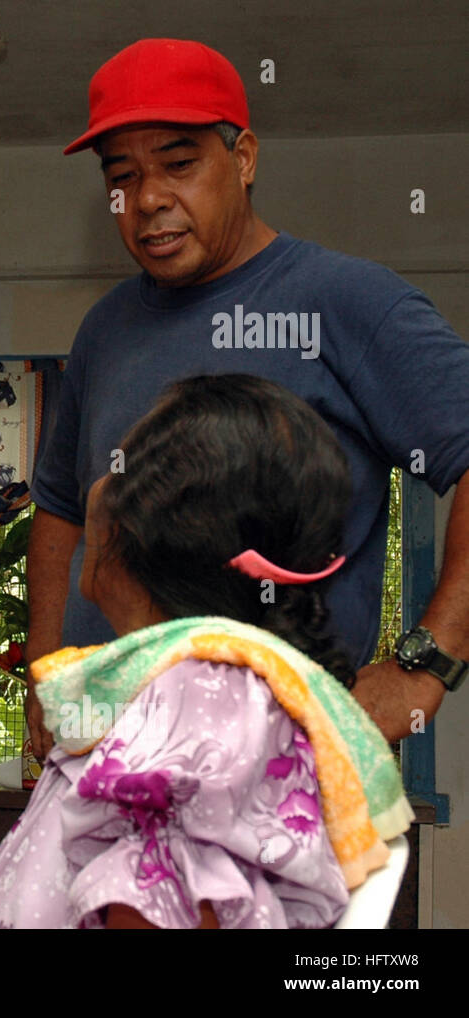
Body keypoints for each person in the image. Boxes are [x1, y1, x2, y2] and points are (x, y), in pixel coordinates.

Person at [26, 38, 469, 756]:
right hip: (101, 759)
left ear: (244, 159)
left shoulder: (348, 302)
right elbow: (59, 508)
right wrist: (46, 666)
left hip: (272, 768)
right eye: (123, 176)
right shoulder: (105, 328)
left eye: (179, 164)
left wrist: (429, 661)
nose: (148, 200)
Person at [0, 374, 411, 929]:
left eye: (122, 462)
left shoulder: (199, 694)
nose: (100, 479)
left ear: (151, 527)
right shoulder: (208, 685)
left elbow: (162, 898)